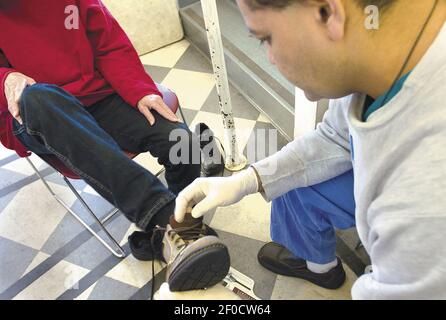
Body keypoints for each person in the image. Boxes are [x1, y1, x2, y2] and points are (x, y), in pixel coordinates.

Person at [175, 0, 446, 299]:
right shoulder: (382, 54)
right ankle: (321, 268)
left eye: (266, 38)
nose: (269, 57)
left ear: (327, 12)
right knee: (292, 184)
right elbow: (335, 137)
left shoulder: (425, 204)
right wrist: (247, 180)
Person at [0, 0, 230, 292]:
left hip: (95, 96)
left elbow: (108, 43)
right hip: (33, 112)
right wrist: (6, 79)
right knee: (39, 97)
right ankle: (168, 217)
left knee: (180, 141)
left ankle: (170, 237)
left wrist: (139, 90)